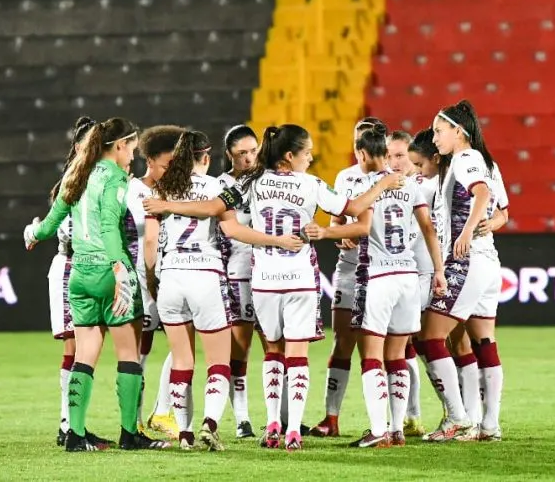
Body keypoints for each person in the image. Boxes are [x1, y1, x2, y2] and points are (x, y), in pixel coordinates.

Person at [145, 124, 404, 451]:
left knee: (270, 353)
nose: (311, 158)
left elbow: (213, 210)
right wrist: (384, 183)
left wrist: (168, 206)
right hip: (297, 280)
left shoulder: (250, 181)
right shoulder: (311, 184)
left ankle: (266, 426)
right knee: (295, 356)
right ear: (290, 155)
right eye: (307, 152)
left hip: (262, 282)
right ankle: (292, 430)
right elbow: (353, 209)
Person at [142, 129, 303, 451]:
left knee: (182, 360)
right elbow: (234, 229)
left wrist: (151, 279)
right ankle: (210, 425)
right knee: (218, 361)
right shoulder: (220, 188)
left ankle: (185, 433)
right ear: (207, 156)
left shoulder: (161, 190)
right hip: (206, 275)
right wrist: (276, 240)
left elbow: (149, 242)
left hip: (171, 275)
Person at [24, 117, 169, 452]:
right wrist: (120, 270)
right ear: (119, 146)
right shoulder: (116, 178)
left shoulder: (75, 175)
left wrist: (31, 233)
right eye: (131, 148)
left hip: (79, 276)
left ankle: (75, 434)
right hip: (108, 272)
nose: (132, 156)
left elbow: (47, 227)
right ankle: (129, 434)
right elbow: (108, 227)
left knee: (85, 355)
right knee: (128, 355)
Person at [305, 126, 447, 448]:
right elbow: (428, 228)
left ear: (366, 155)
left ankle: (378, 429)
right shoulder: (411, 185)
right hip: (408, 277)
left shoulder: (370, 186)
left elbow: (361, 221)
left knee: (372, 357)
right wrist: (438, 271)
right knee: (397, 355)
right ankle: (396, 429)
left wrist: (325, 234)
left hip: (378, 277)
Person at [419, 101, 509, 443]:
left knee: (430, 336)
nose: (435, 136)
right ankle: (489, 425)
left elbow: (482, 193)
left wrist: (468, 231)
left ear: (459, 131)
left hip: (467, 261)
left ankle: (457, 418)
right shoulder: (487, 161)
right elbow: (503, 213)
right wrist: (486, 226)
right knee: (485, 341)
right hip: (488, 262)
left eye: (439, 130)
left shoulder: (465, 159)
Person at [311, 117, 388, 438]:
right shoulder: (346, 176)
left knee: (395, 349)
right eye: (359, 136)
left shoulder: (397, 178)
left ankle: (402, 420)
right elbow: (337, 218)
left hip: (384, 271)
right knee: (342, 341)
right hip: (349, 268)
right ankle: (331, 418)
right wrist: (341, 233)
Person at [46, 116, 113, 449]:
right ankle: (67, 425)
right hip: (72, 263)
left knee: (88, 347)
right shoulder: (73, 181)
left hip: (91, 266)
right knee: (75, 347)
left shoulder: (96, 179)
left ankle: (73, 425)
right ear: (78, 148)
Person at [127, 125, 187, 437]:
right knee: (141, 351)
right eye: (166, 165)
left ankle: (162, 411)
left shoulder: (179, 193)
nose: (171, 171)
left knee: (182, 343)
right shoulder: (131, 191)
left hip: (171, 279)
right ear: (149, 160)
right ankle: (134, 418)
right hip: (140, 282)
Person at [383, 129, 428, 436]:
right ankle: (410, 416)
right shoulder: (383, 187)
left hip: (421, 274)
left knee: (408, 346)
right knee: (406, 347)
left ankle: (410, 416)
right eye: (389, 156)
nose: (395, 162)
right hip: (403, 274)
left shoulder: (424, 187)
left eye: (400, 155)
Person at [217, 125, 261, 439]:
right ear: (229, 155)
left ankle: (284, 417)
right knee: (240, 350)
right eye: (240, 153)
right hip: (238, 273)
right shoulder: (221, 185)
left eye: (252, 151)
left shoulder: (269, 181)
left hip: (272, 273)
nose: (248, 158)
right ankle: (242, 418)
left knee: (279, 348)